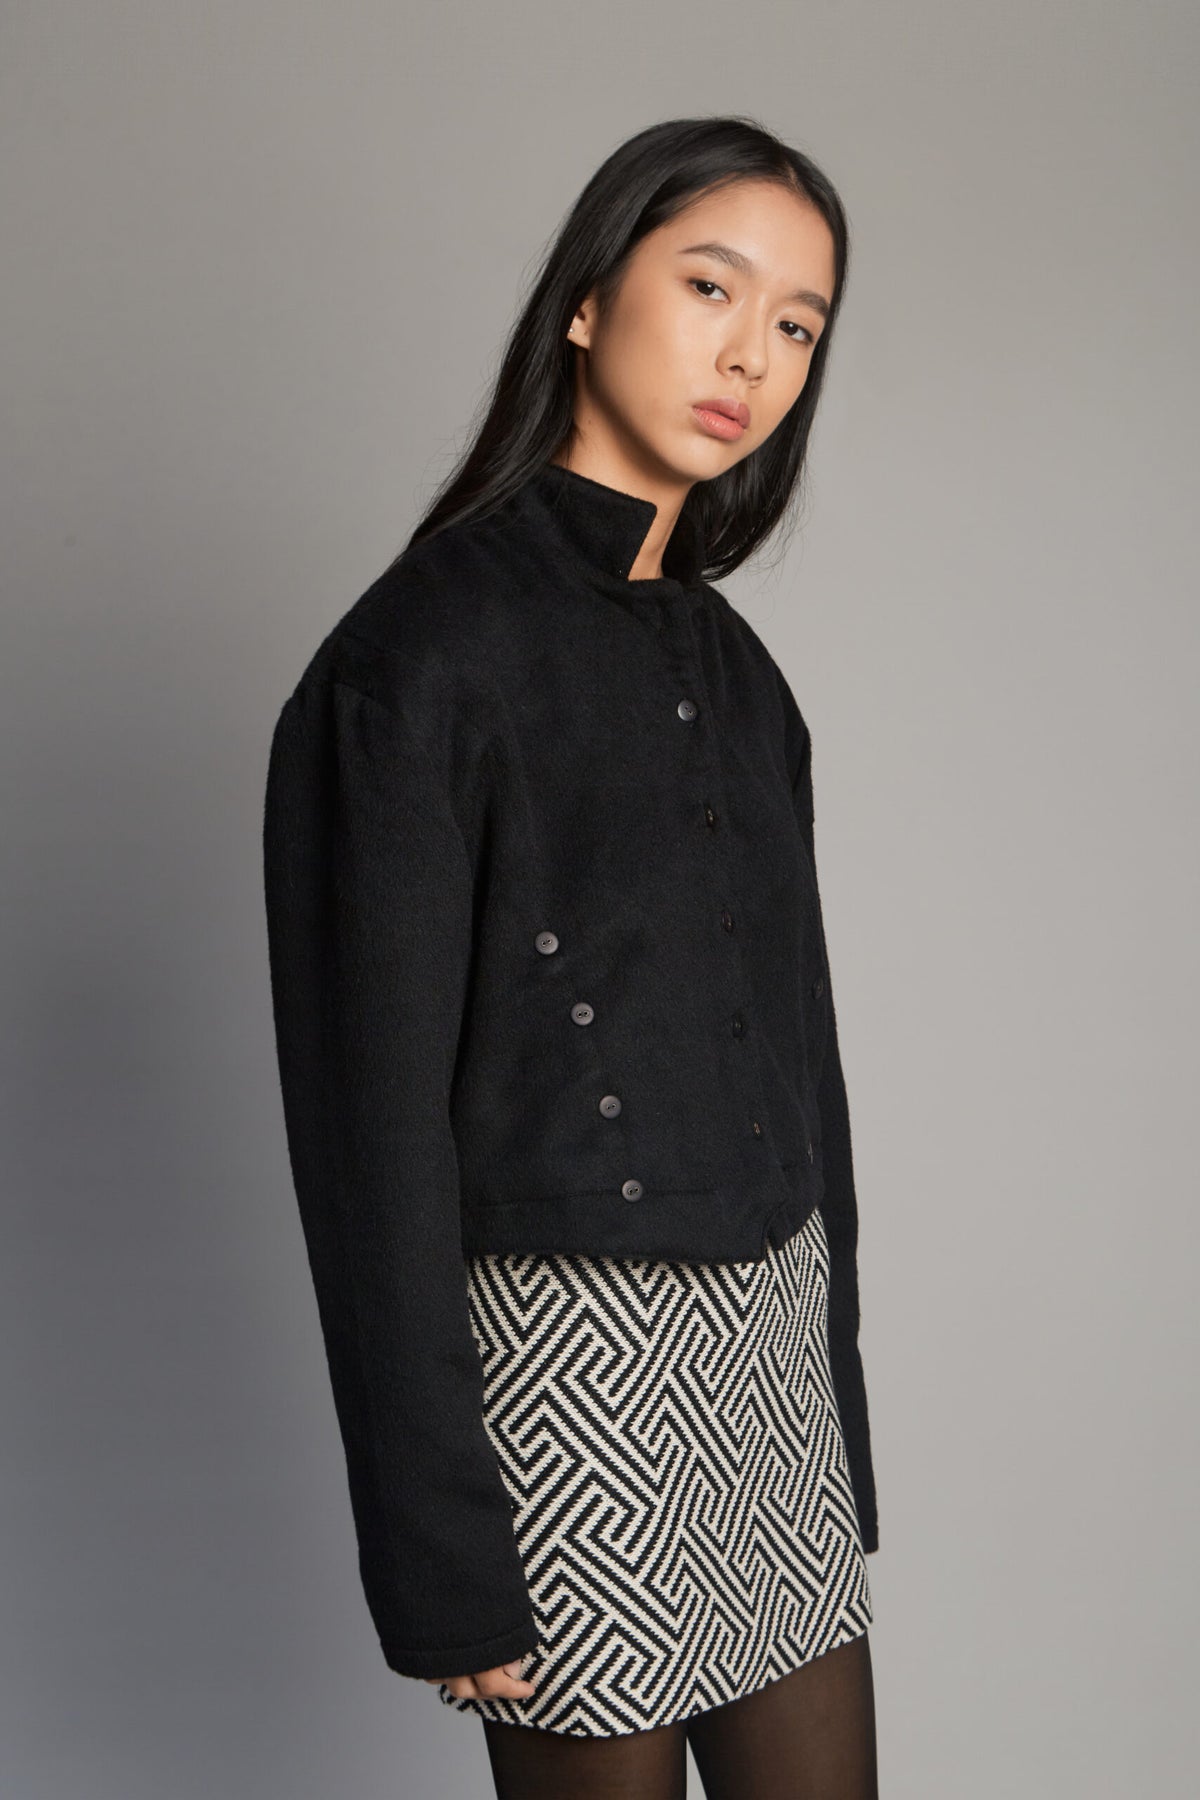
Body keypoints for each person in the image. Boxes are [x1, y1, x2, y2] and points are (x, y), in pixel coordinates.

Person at [263, 115, 880, 1798]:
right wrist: (438, 1545)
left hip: (770, 1353)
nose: (752, 356)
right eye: (712, 287)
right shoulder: (414, 662)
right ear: (590, 300)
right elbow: (369, 1139)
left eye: (799, 324)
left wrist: (834, 1418)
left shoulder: (743, 677)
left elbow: (805, 1073)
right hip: (555, 1376)